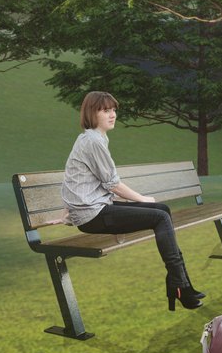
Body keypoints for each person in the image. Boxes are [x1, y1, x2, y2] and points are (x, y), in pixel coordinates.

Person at [60, 90, 203, 309]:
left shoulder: (94, 138)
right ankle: (179, 285)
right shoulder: (92, 141)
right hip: (93, 215)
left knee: (163, 210)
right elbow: (112, 184)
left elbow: (76, 177)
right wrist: (142, 199)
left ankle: (182, 283)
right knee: (160, 217)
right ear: (91, 113)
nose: (112, 115)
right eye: (105, 110)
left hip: (96, 209)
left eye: (113, 110)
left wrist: (67, 210)